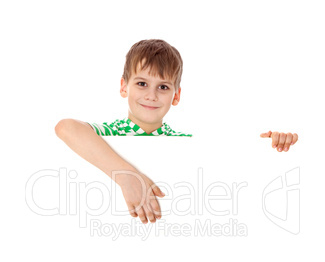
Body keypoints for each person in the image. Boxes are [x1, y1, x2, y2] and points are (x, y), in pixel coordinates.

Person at [55, 39, 299, 225]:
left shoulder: (183, 141)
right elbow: (65, 127)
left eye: (163, 86)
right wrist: (126, 175)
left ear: (176, 95)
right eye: (141, 84)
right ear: (123, 87)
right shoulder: (108, 133)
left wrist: (276, 141)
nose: (151, 95)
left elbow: (229, 151)